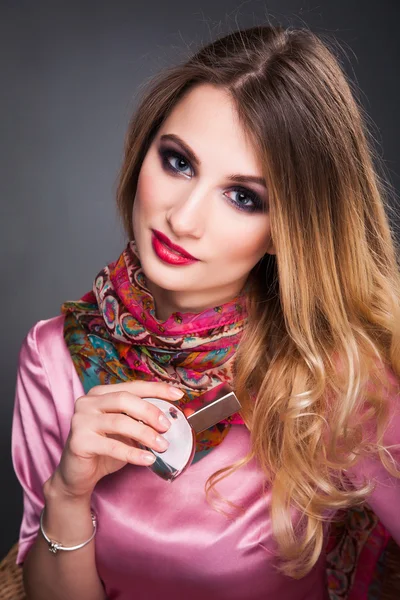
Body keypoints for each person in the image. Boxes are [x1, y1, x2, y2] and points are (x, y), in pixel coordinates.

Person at [11, 23, 400, 600]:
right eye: (178, 162)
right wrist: (68, 492)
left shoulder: (338, 377)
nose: (185, 218)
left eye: (244, 197)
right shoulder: (53, 357)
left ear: (285, 230)